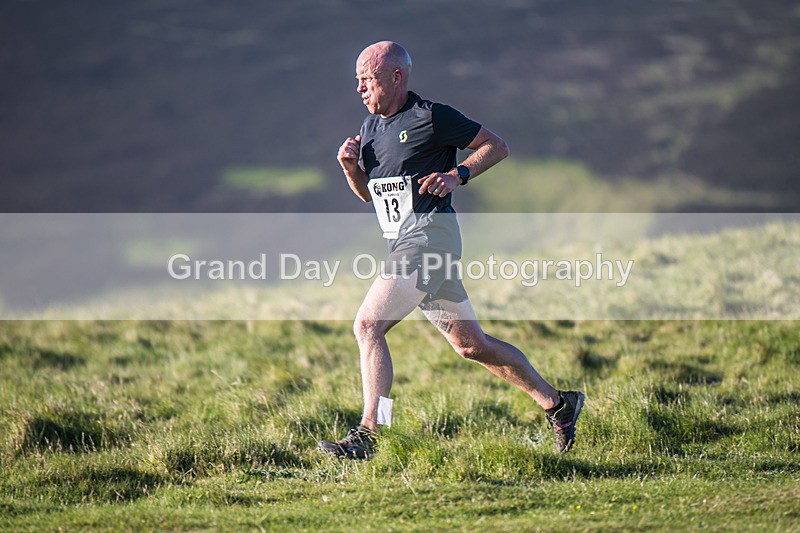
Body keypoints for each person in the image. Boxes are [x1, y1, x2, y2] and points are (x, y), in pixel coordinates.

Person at [318, 41, 584, 459]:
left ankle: (372, 433)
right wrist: (351, 169)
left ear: (396, 77)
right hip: (405, 244)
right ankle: (558, 404)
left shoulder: (432, 117)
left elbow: (496, 145)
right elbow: (369, 197)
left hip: (429, 239)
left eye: (366, 80)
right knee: (470, 346)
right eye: (357, 81)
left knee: (368, 326)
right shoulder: (370, 130)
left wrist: (457, 174)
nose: (359, 89)